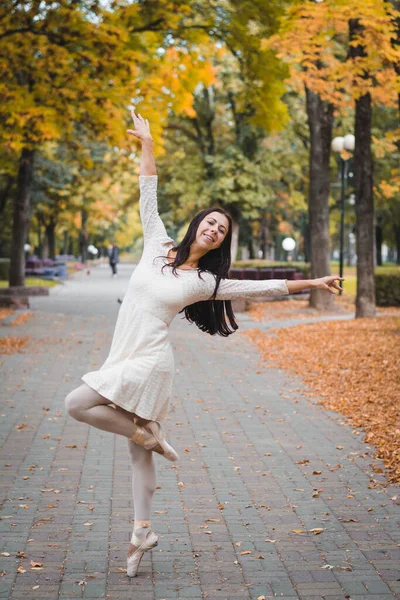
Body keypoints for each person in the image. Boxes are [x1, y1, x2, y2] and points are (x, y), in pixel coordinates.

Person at [65, 109, 344, 578]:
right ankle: (141, 532)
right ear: (197, 224)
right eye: (210, 222)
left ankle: (146, 434)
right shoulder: (157, 243)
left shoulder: (206, 281)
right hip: (122, 354)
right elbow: (147, 191)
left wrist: (313, 282)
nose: (213, 230)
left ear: (220, 243)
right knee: (140, 453)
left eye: (221, 231)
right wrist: (147, 141)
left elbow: (262, 288)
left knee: (76, 402)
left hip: (151, 362)